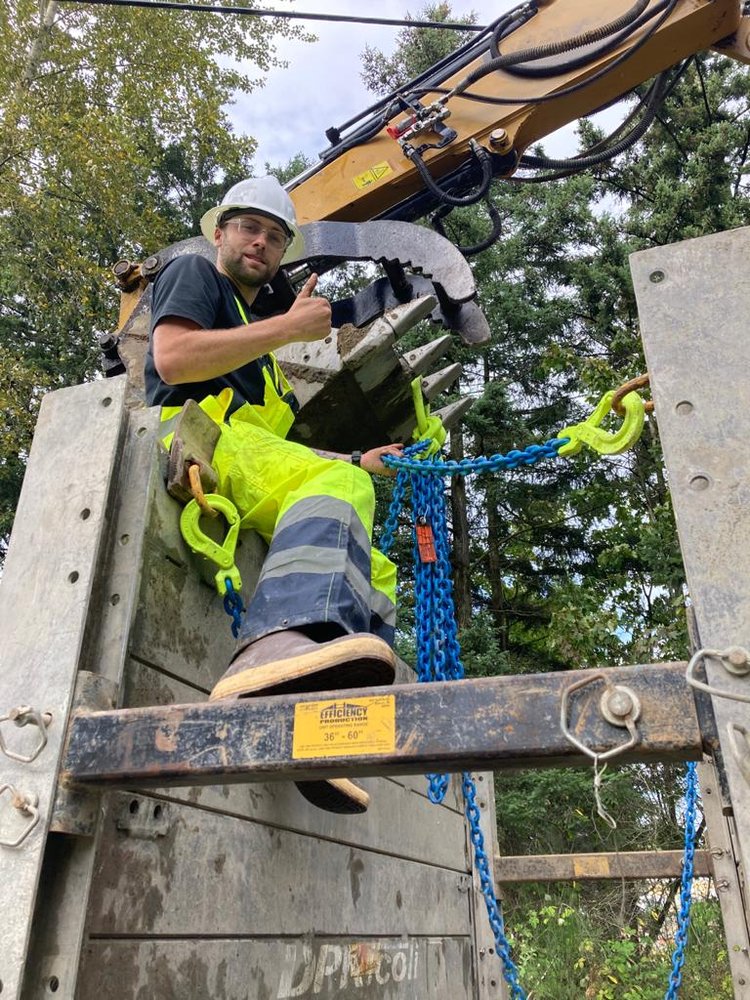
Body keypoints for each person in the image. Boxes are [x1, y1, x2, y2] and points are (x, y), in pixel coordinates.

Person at [144, 176, 404, 812]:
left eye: (275, 235)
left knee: (376, 566)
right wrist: (287, 331)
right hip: (195, 433)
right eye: (248, 228)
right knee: (336, 485)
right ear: (220, 234)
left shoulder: (258, 346)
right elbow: (174, 359)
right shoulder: (194, 275)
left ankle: (328, 729)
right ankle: (273, 649)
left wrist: (353, 458)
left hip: (243, 452)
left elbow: (273, 454)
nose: (260, 242)